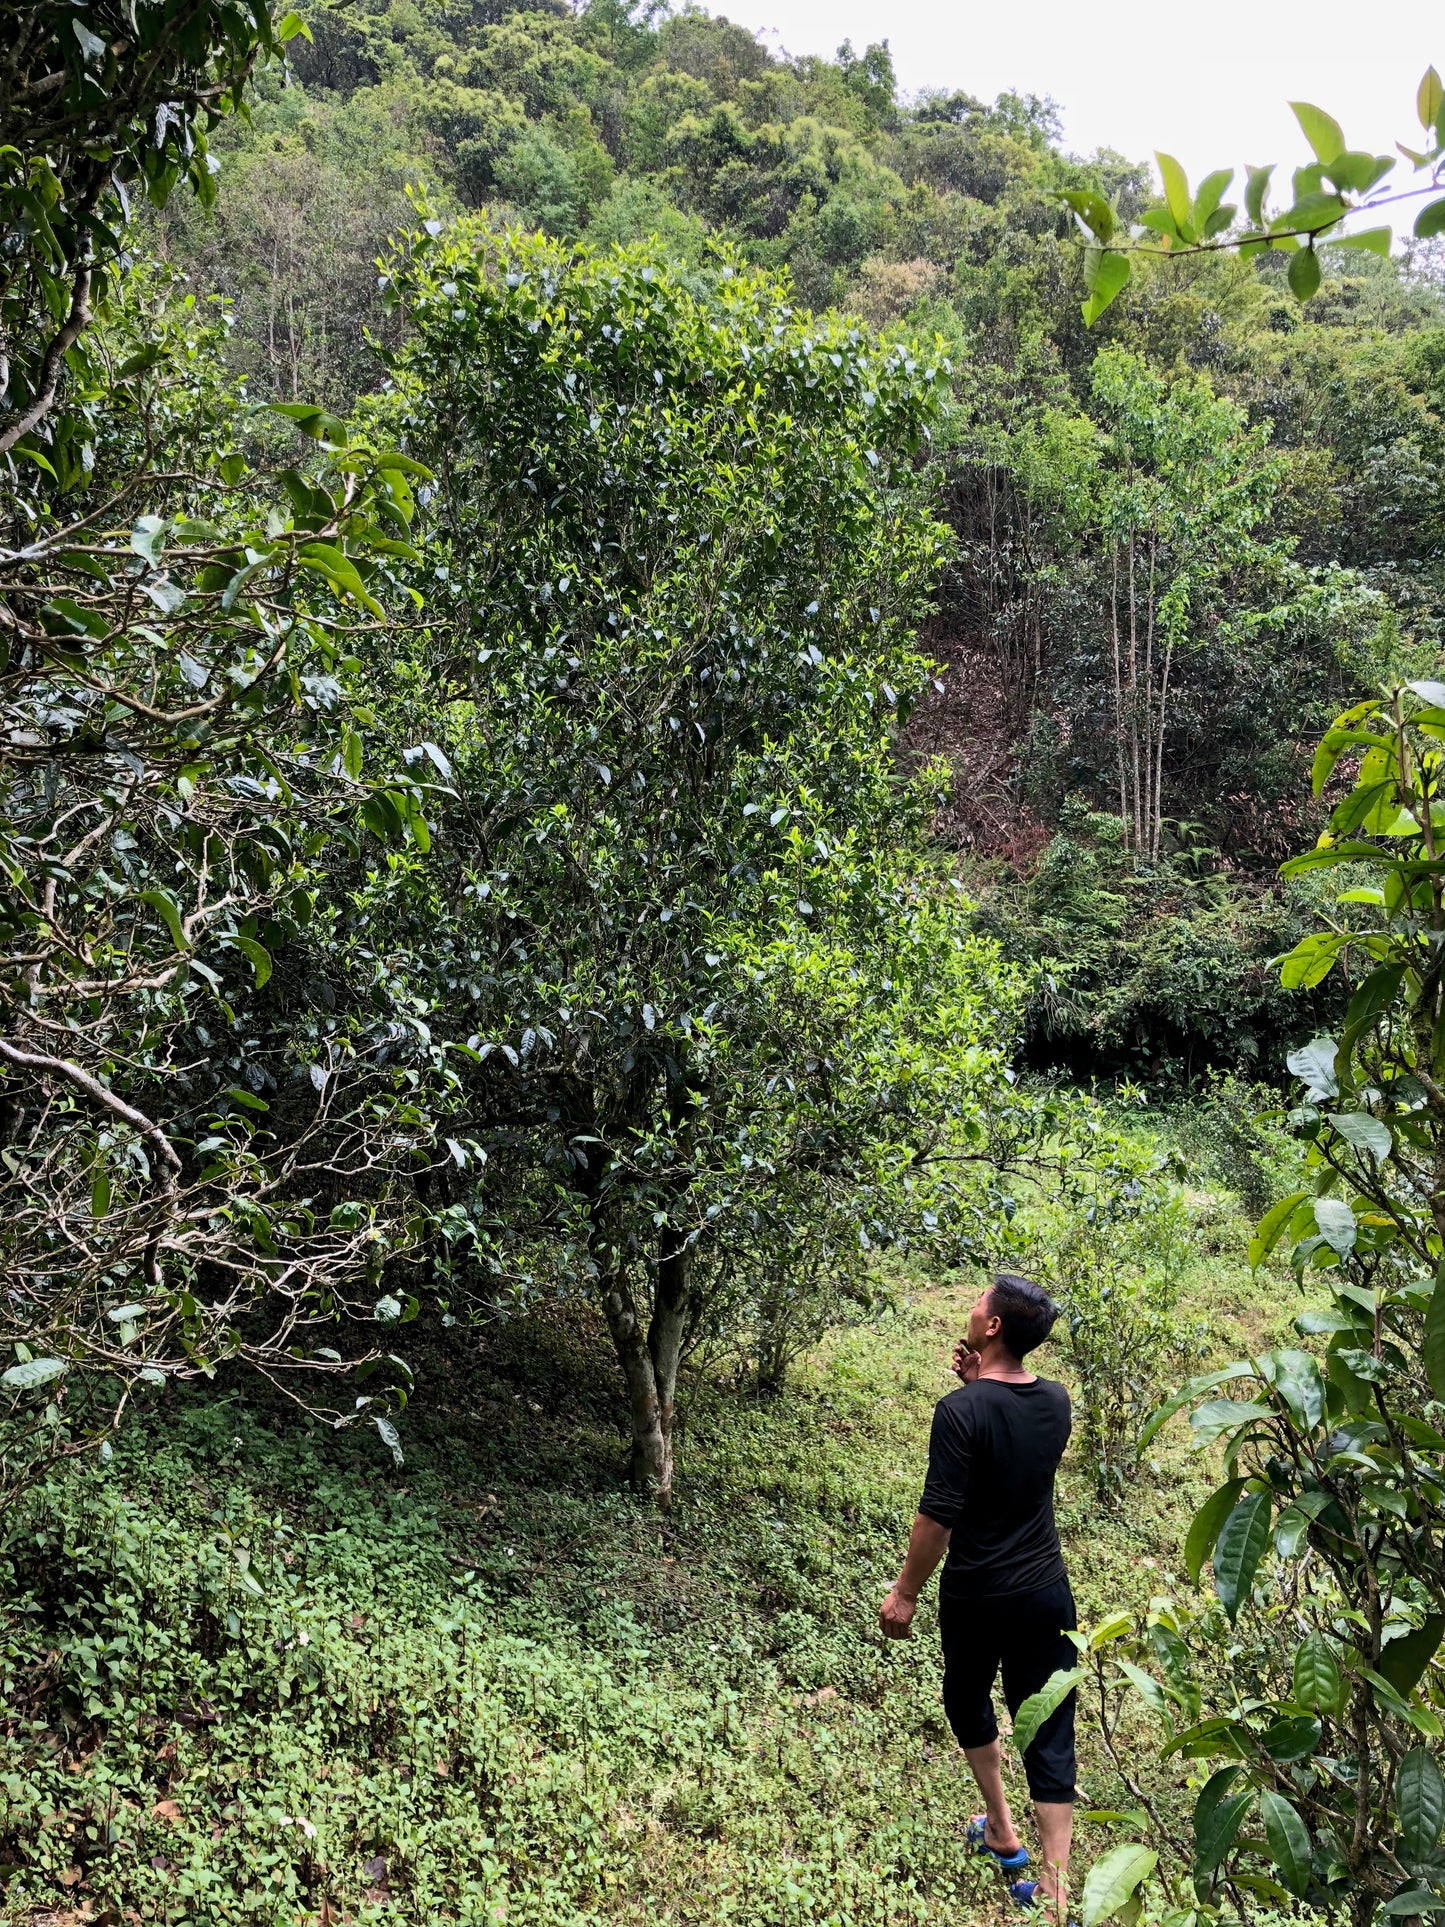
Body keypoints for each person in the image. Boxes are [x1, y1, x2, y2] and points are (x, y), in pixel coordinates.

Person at [878, 1272, 1076, 1921]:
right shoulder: (1055, 1400)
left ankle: (1000, 1824)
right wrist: (976, 1388)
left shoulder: (958, 1412)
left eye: (977, 1301)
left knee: (967, 1699)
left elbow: (938, 1516)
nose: (968, 1306)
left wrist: (905, 1592)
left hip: (977, 1595)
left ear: (991, 1326)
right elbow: (1011, 1451)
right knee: (1048, 1728)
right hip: (1046, 1590)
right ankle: (1053, 1890)